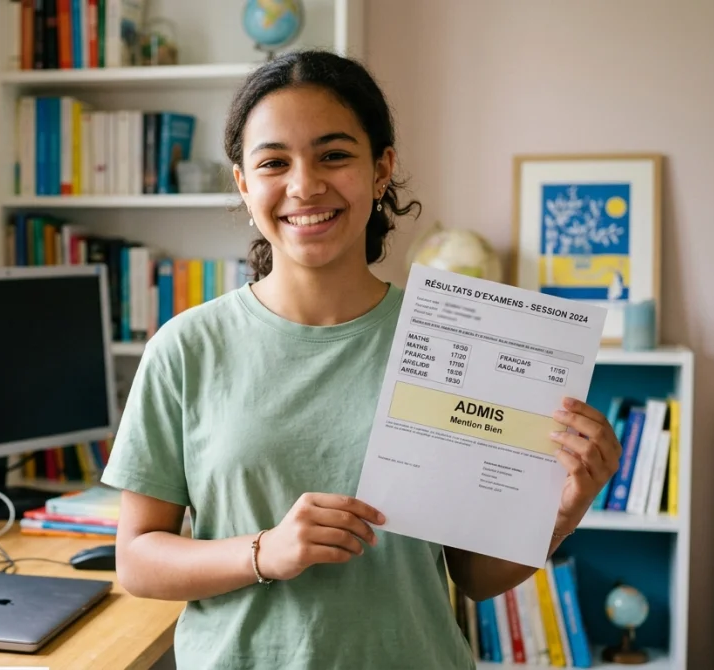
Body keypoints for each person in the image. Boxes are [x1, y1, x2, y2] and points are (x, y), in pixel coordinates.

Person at [99, 49, 622, 670]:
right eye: (273, 162)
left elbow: (474, 577)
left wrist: (560, 512)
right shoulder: (184, 349)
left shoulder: (458, 342)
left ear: (382, 169)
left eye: (334, 155)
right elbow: (137, 561)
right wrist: (266, 552)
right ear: (243, 183)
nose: (304, 185)